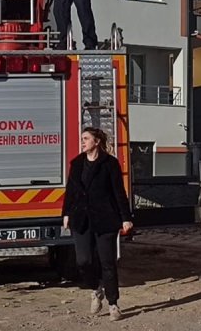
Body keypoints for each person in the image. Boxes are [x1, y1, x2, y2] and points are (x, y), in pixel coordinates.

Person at [63, 127, 134, 320]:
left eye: (86, 138)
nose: (82, 142)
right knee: (83, 261)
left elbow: (119, 192)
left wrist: (125, 217)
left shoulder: (110, 164)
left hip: (105, 220)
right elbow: (71, 191)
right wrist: (66, 213)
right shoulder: (77, 164)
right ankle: (95, 289)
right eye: (81, 139)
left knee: (108, 263)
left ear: (96, 141)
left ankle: (113, 304)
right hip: (81, 219)